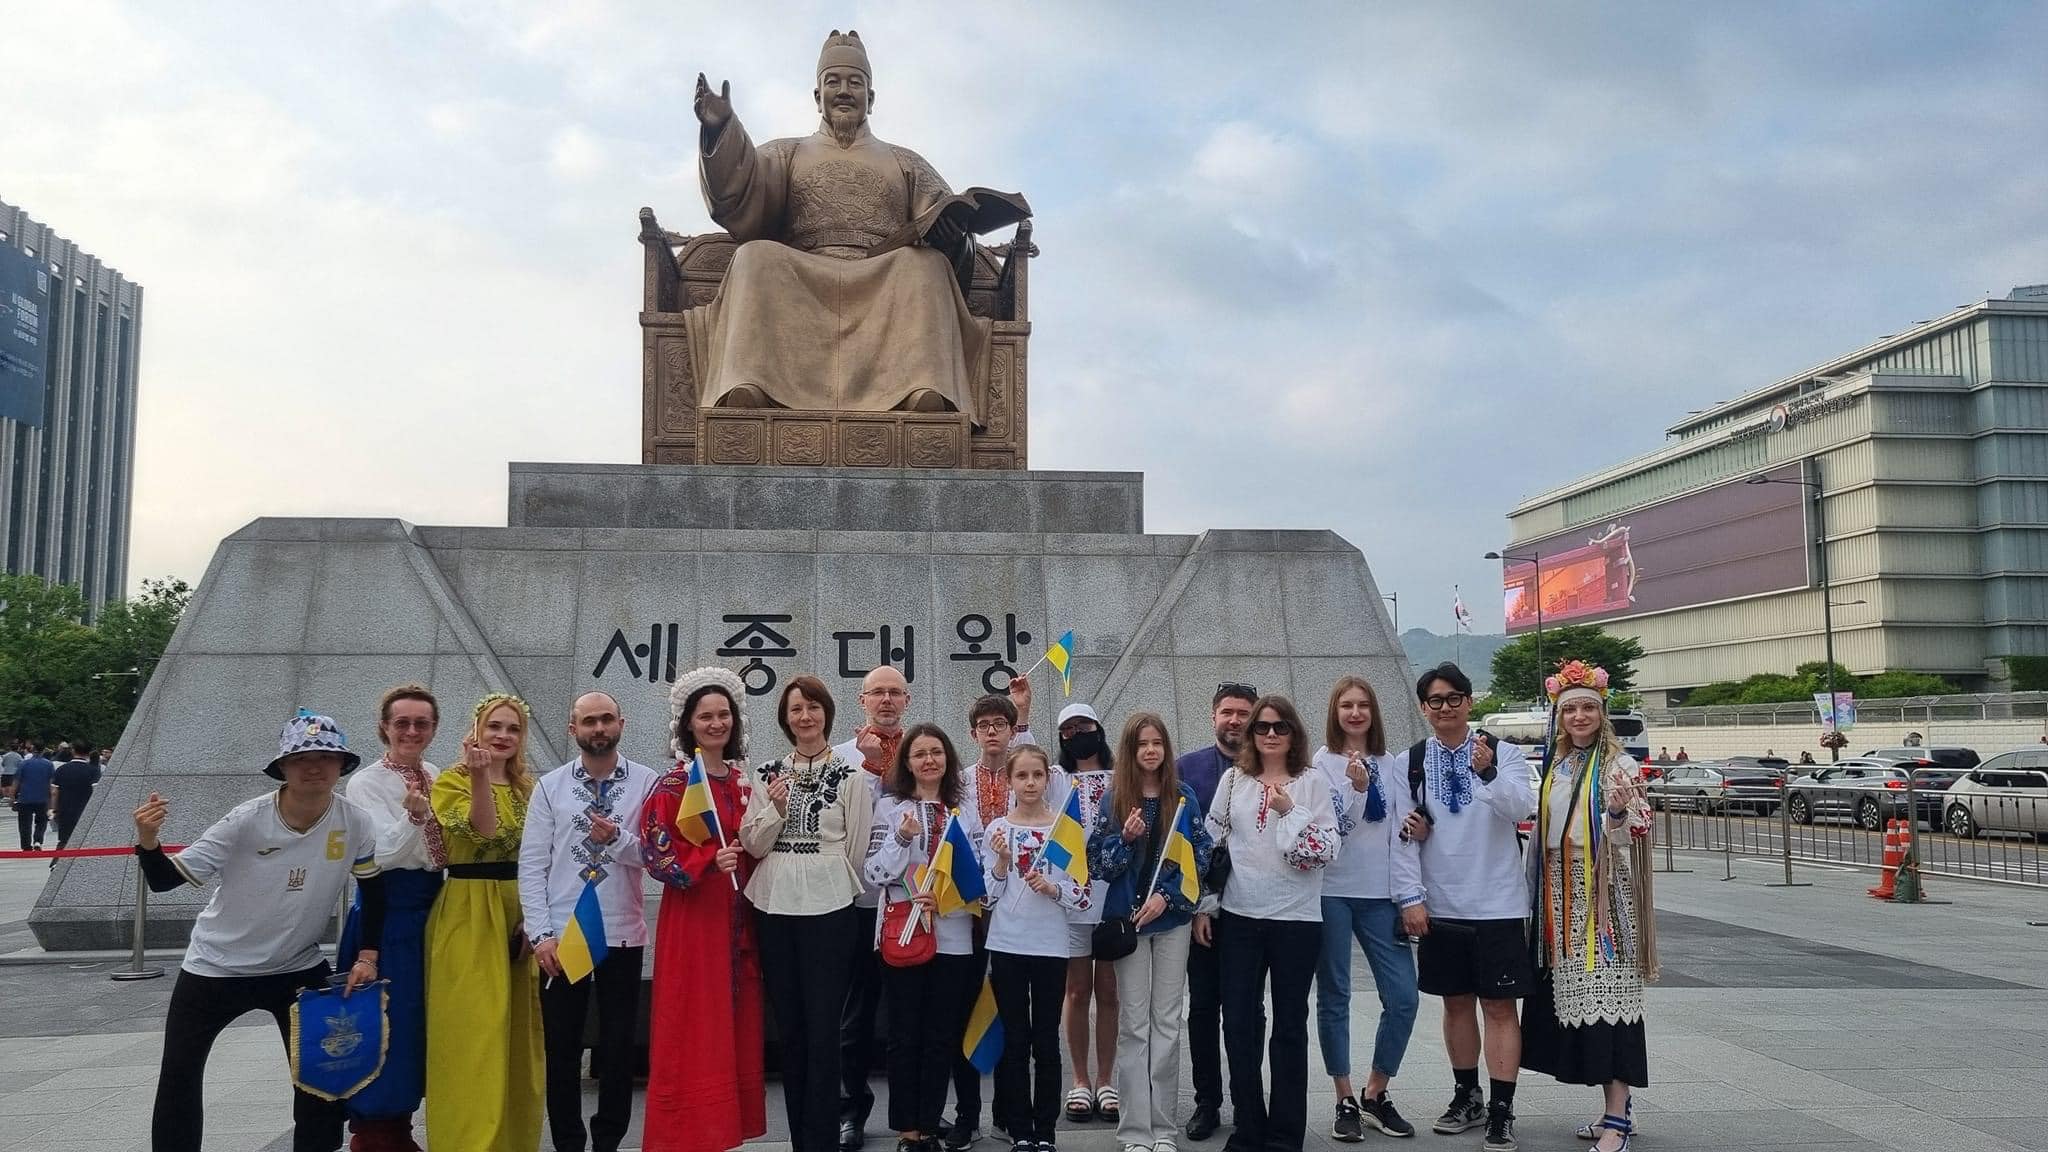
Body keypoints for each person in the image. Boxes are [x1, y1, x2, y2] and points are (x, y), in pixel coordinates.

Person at [689, 30, 993, 416]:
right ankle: (752, 384)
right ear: (818, 96)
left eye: (855, 83)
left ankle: (921, 388)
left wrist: (953, 238)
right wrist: (721, 127)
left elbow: (943, 215)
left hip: (883, 274)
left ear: (871, 97)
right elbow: (740, 185)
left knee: (926, 266)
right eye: (833, 82)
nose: (844, 91)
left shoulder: (906, 162)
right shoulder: (789, 152)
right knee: (755, 257)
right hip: (804, 271)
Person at [134, 710, 386, 1152]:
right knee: (179, 1075)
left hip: (297, 966)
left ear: (342, 765)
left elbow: (375, 891)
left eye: (327, 757)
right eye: (301, 757)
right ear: (282, 768)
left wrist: (368, 955)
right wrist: (148, 840)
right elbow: (164, 879)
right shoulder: (246, 819)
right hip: (215, 968)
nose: (314, 766)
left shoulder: (356, 822)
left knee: (321, 1082)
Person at [1522, 663, 1657, 1152]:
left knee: (1609, 995)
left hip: (1601, 891)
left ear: (1602, 714)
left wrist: (1619, 811)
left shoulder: (1619, 766)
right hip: (1560, 893)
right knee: (1581, 1001)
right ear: (1559, 717)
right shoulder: (1555, 766)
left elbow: (1638, 826)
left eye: (1587, 708)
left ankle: (1618, 1116)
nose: (1579, 716)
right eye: (1570, 709)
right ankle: (1614, 1108)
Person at [1402, 663, 1536, 1152]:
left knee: (1500, 1007)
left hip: (1498, 903)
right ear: (1423, 707)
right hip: (1441, 903)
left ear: (1469, 702)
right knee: (1455, 1004)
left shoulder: (1508, 754)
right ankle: (1467, 1096)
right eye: (1435, 700)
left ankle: (1503, 1108)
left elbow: (1521, 809)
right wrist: (1411, 899)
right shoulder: (1411, 761)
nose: (1445, 707)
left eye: (1454, 698)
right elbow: (1404, 837)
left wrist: (1488, 771)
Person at [521, 691, 660, 1152]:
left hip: (622, 930)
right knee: (562, 1047)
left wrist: (619, 838)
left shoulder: (647, 783)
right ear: (572, 729)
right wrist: (539, 934)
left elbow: (656, 856)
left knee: (618, 1046)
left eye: (605, 720)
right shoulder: (551, 786)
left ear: (621, 722)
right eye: (588, 722)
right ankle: (566, 1142)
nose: (598, 728)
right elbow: (532, 864)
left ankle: (608, 1141)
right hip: (563, 935)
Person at [743, 675, 877, 1152]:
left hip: (829, 899)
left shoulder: (851, 774)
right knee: (792, 1029)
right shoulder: (766, 773)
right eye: (796, 708)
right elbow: (752, 843)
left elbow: (856, 848)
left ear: (827, 713)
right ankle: (801, 1139)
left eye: (813, 707)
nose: (805, 716)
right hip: (774, 901)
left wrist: (824, 873)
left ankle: (822, 1137)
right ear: (785, 717)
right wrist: (776, 808)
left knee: (825, 1027)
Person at [1205, 695, 1339, 1152]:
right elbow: (1211, 845)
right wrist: (1206, 907)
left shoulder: (1312, 782)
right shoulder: (1233, 779)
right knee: (1239, 1023)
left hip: (1297, 920)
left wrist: (1288, 810)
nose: (1269, 736)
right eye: (1261, 728)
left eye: (1279, 727)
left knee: (1289, 1026)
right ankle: (1249, 1127)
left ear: (1293, 733)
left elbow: (1327, 847)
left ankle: (1285, 1135)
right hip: (1241, 917)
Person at [642, 667, 768, 1152]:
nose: (717, 724)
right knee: (691, 1022)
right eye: (706, 716)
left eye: (724, 715)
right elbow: (657, 851)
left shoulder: (742, 782)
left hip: (738, 917)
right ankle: (683, 1134)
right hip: (695, 919)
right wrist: (705, 861)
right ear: (688, 724)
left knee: (732, 1024)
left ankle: (723, 1131)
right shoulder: (676, 784)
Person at [1088, 713, 1212, 1152]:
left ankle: (1164, 1129)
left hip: (1172, 922)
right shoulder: (1115, 799)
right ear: (1130, 749)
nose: (1151, 751)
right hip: (1129, 927)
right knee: (1134, 1025)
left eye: (1157, 742)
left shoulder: (1184, 797)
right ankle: (1135, 1131)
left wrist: (1170, 897)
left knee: (1167, 1023)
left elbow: (1200, 855)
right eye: (1142, 744)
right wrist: (1123, 838)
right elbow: (1097, 863)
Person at [425, 693, 544, 1151]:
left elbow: (540, 855)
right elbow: (484, 833)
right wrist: (479, 778)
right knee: (472, 1034)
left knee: (518, 1037)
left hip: (517, 909)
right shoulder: (452, 782)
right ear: (477, 730)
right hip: (469, 910)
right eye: (495, 726)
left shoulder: (528, 789)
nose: (503, 736)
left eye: (512, 729)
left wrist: (535, 919)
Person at [865, 724, 986, 1152]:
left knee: (940, 1036)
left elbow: (981, 875)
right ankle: (907, 1130)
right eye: (920, 754)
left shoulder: (964, 808)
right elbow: (874, 873)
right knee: (904, 1036)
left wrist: (948, 900)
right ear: (907, 762)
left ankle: (931, 1125)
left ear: (948, 759)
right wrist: (902, 838)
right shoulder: (890, 807)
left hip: (953, 935)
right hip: (902, 931)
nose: (929, 760)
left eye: (937, 751)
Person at [1311, 677, 1422, 1141]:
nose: (1355, 713)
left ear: (1374, 712)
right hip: (1331, 892)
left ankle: (1376, 1090)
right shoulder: (1320, 763)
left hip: (1381, 895)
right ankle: (1344, 1097)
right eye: (1346, 705)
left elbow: (1400, 830)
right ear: (1335, 712)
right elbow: (1330, 830)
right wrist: (1356, 791)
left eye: (1363, 705)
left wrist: (1418, 831)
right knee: (1334, 995)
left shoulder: (1392, 763)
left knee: (1403, 996)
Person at [336, 684, 444, 1152]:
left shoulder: (436, 774)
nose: (412, 731)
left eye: (422, 723)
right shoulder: (366, 782)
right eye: (402, 722)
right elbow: (381, 855)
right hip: (388, 911)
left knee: (418, 1025)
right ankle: (374, 1133)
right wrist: (415, 818)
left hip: (429, 910)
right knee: (384, 1023)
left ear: (434, 728)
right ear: (384, 727)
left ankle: (399, 1126)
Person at [986, 743, 1090, 1152]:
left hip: (1050, 947)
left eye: (1038, 775)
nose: (1030, 783)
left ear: (1049, 779)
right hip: (1008, 945)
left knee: (1045, 1040)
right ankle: (1020, 1129)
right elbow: (988, 897)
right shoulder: (998, 829)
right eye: (1022, 776)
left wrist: (1055, 888)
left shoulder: (1066, 829)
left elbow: (1082, 893)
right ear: (1009, 781)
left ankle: (1045, 1130)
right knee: (1014, 1040)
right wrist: (999, 864)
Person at [950, 678, 1038, 1148]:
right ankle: (967, 1115)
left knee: (1010, 1013)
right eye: (983, 726)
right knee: (966, 1011)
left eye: (1000, 725)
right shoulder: (958, 782)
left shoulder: (1027, 781)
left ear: (1011, 730)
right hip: (967, 913)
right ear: (972, 733)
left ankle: (1008, 1112)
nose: (991, 733)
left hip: (1015, 911)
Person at [837, 665, 912, 1152]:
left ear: (907, 699)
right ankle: (849, 1112)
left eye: (894, 693)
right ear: (862, 700)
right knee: (855, 1015)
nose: (886, 700)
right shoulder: (842, 758)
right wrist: (867, 766)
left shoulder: (921, 751)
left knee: (911, 1015)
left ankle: (916, 1114)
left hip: (909, 903)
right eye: (877, 692)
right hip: (857, 901)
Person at [1177, 682, 1254, 1141]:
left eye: (1244, 713)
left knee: (1246, 1010)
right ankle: (1208, 1101)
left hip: (1253, 911)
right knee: (1203, 1008)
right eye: (1227, 712)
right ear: (1213, 717)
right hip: (1202, 912)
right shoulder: (1189, 768)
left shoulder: (1270, 767)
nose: (1235, 721)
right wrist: (1200, 904)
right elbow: (1181, 842)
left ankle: (1248, 1099)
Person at [1055, 702, 1119, 1124]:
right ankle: (1079, 1080)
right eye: (1069, 730)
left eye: (1085, 726)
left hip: (1113, 896)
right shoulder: (1056, 779)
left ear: (1098, 729)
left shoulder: (1121, 777)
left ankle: (1107, 1080)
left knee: (1110, 992)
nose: (1079, 734)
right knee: (1077, 991)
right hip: (1071, 896)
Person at [51, 741, 102, 854]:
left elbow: (55, 792)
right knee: (85, 841)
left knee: (64, 840)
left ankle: (58, 862)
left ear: (73, 751)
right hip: (85, 811)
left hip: (65, 810)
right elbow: (96, 792)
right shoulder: (93, 770)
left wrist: (54, 810)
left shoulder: (62, 769)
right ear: (88, 753)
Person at [13, 741, 55, 850]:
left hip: (25, 797)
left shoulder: (24, 763)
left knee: (24, 824)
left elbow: (16, 782)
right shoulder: (49, 764)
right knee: (42, 821)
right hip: (42, 797)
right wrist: (51, 801)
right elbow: (51, 784)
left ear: (32, 749)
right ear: (43, 750)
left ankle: (26, 846)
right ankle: (38, 840)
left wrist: (12, 797)